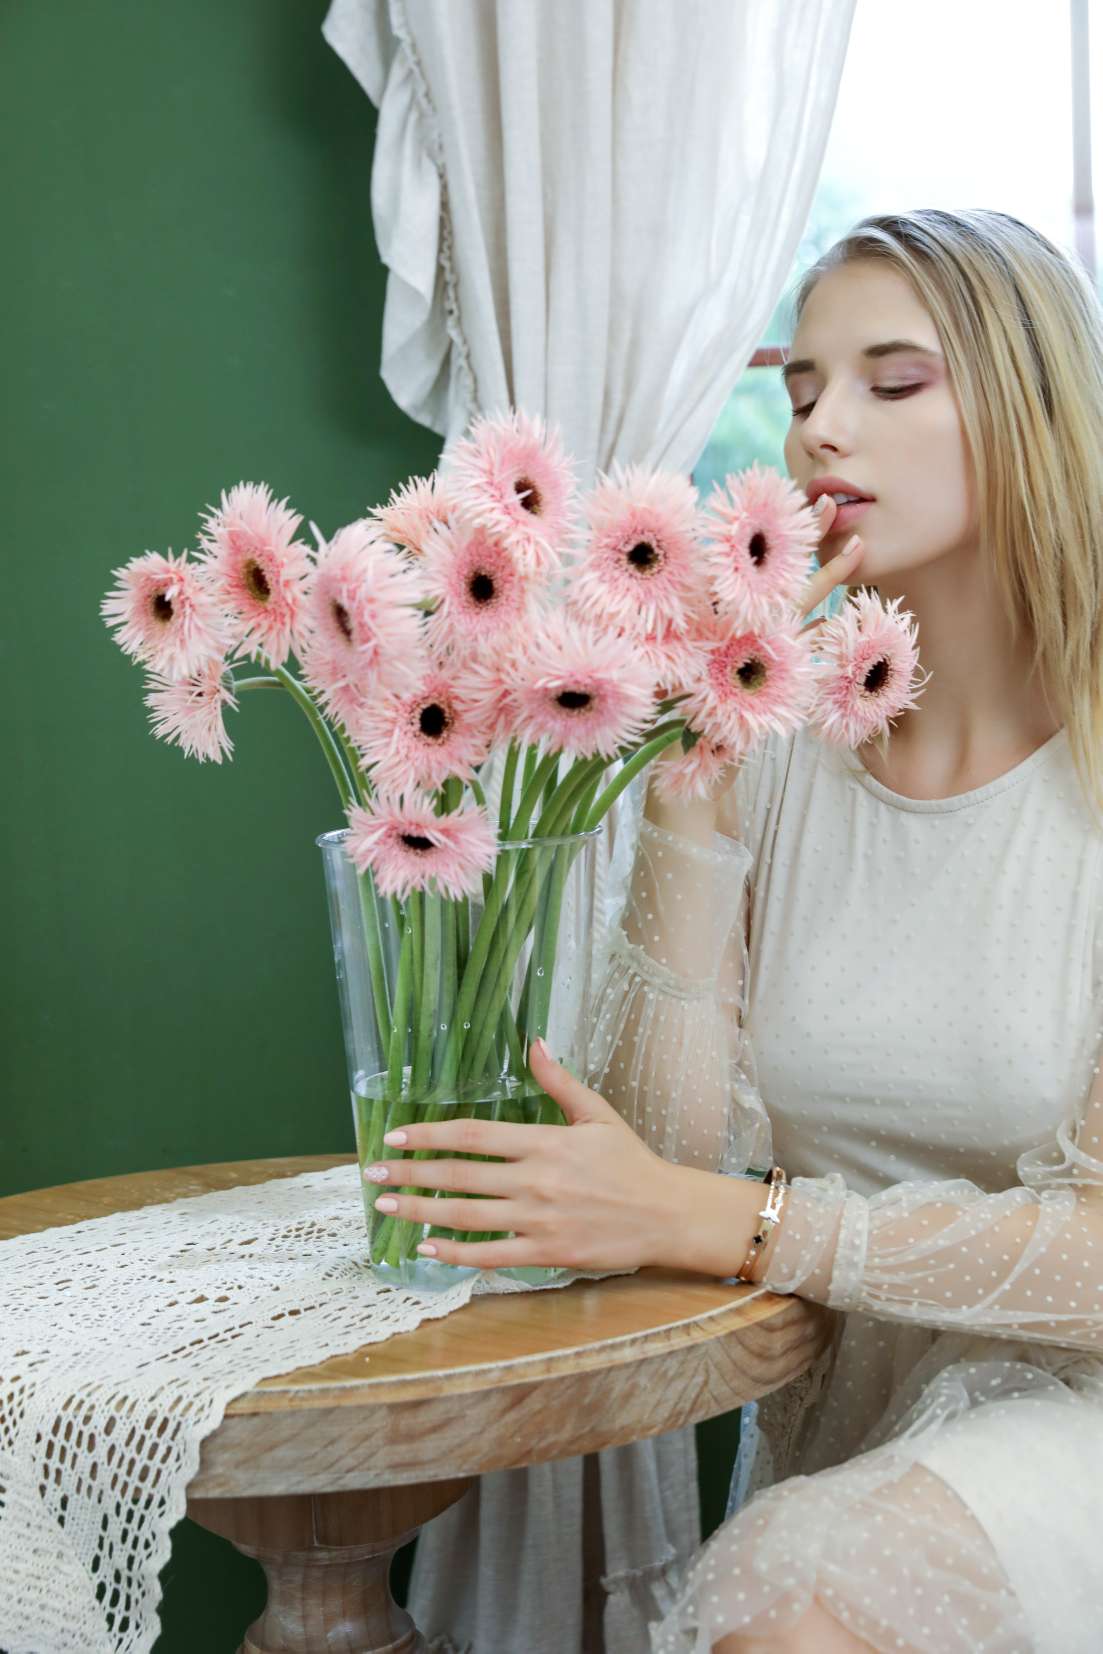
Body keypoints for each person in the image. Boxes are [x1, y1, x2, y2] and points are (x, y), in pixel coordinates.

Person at [363, 209, 1103, 1652]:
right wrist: (687, 795)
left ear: (1029, 409)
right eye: (807, 382)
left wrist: (741, 1225)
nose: (825, 424)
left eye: (896, 380)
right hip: (852, 1432)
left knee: (795, 1596)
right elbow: (669, 1149)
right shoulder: (780, 744)